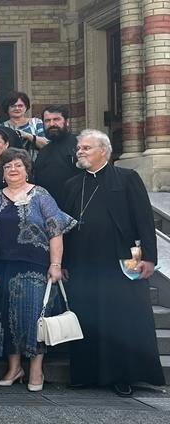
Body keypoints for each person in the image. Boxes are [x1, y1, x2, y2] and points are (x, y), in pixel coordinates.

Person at [61, 130, 165, 396]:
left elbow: (144, 220)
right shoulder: (72, 184)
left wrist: (150, 258)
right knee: (87, 316)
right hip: (82, 262)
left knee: (123, 317)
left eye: (86, 148)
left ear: (103, 151)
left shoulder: (127, 178)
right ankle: (87, 373)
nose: (80, 152)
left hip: (123, 259)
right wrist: (61, 262)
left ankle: (123, 375)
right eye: (79, 148)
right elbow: (63, 228)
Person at [0, 148, 75, 393]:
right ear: (2, 172)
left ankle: (36, 369)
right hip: (3, 266)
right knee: (6, 319)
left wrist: (55, 265)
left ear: (27, 169)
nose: (13, 170)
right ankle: (14, 368)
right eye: (7, 167)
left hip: (35, 267)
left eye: (18, 165)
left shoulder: (41, 195)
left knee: (35, 319)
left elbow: (55, 231)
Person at [31, 105, 80, 204]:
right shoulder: (43, 152)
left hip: (75, 206)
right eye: (47, 121)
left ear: (66, 122)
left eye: (56, 119)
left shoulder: (80, 145)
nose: (52, 124)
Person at [1, 91, 48, 159]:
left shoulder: (36, 122)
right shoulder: (1, 127)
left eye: (20, 106)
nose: (17, 108)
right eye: (13, 106)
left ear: (26, 107)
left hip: (38, 166)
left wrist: (27, 135)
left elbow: (46, 145)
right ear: (7, 108)